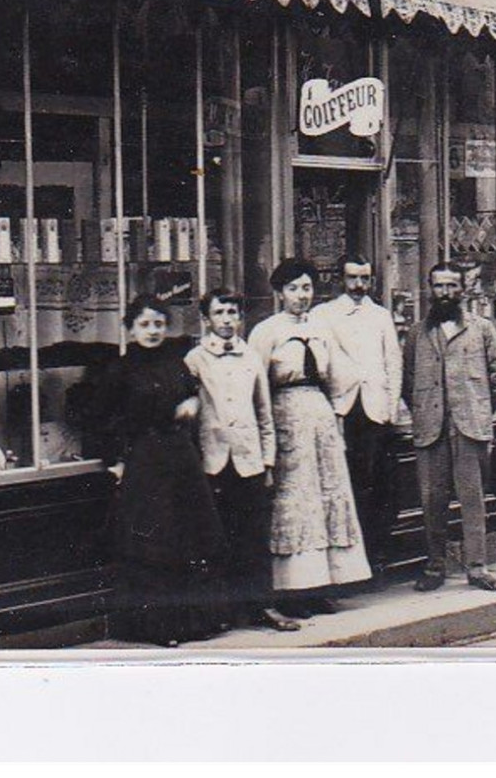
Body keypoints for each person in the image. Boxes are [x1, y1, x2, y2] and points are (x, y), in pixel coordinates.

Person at [98, 294, 225, 645]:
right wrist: (116, 462)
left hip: (181, 458)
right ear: (129, 329)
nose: (152, 331)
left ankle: (195, 623)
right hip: (146, 460)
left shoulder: (176, 363)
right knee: (156, 544)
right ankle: (158, 628)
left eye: (158, 324)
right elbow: (101, 419)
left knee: (191, 538)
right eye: (144, 324)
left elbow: (192, 394)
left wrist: (191, 404)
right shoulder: (120, 370)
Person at [248, 258, 371, 615]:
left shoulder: (321, 329)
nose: (301, 296)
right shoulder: (266, 331)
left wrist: (336, 415)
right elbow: (256, 387)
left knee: (323, 497)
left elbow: (342, 376)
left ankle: (321, 586)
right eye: (293, 289)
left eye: (306, 288)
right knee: (295, 500)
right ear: (279, 293)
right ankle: (292, 591)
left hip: (321, 421)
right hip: (286, 419)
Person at [185, 288, 299, 633]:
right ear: (206, 319)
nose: (226, 320)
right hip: (213, 461)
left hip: (248, 461)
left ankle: (261, 606)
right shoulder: (195, 360)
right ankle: (221, 611)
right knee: (215, 538)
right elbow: (191, 416)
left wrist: (267, 463)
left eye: (232, 313)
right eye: (219, 313)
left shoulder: (250, 357)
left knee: (253, 537)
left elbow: (264, 414)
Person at [402, 261, 496, 593]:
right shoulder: (416, 334)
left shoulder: (481, 329)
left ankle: (477, 568)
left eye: (452, 286)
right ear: (430, 289)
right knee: (431, 500)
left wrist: (479, 408)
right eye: (439, 286)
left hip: (469, 429)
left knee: (472, 499)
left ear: (462, 290)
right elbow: (408, 381)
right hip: (430, 429)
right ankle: (435, 566)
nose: (446, 293)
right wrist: (424, 410)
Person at [312, 253, 404, 575]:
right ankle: (349, 562)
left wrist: (390, 407)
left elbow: (393, 362)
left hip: (375, 412)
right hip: (342, 409)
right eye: (352, 278)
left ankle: (375, 555)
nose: (358, 285)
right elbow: (320, 363)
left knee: (377, 487)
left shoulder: (380, 316)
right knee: (346, 485)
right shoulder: (323, 315)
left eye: (364, 278)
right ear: (341, 278)